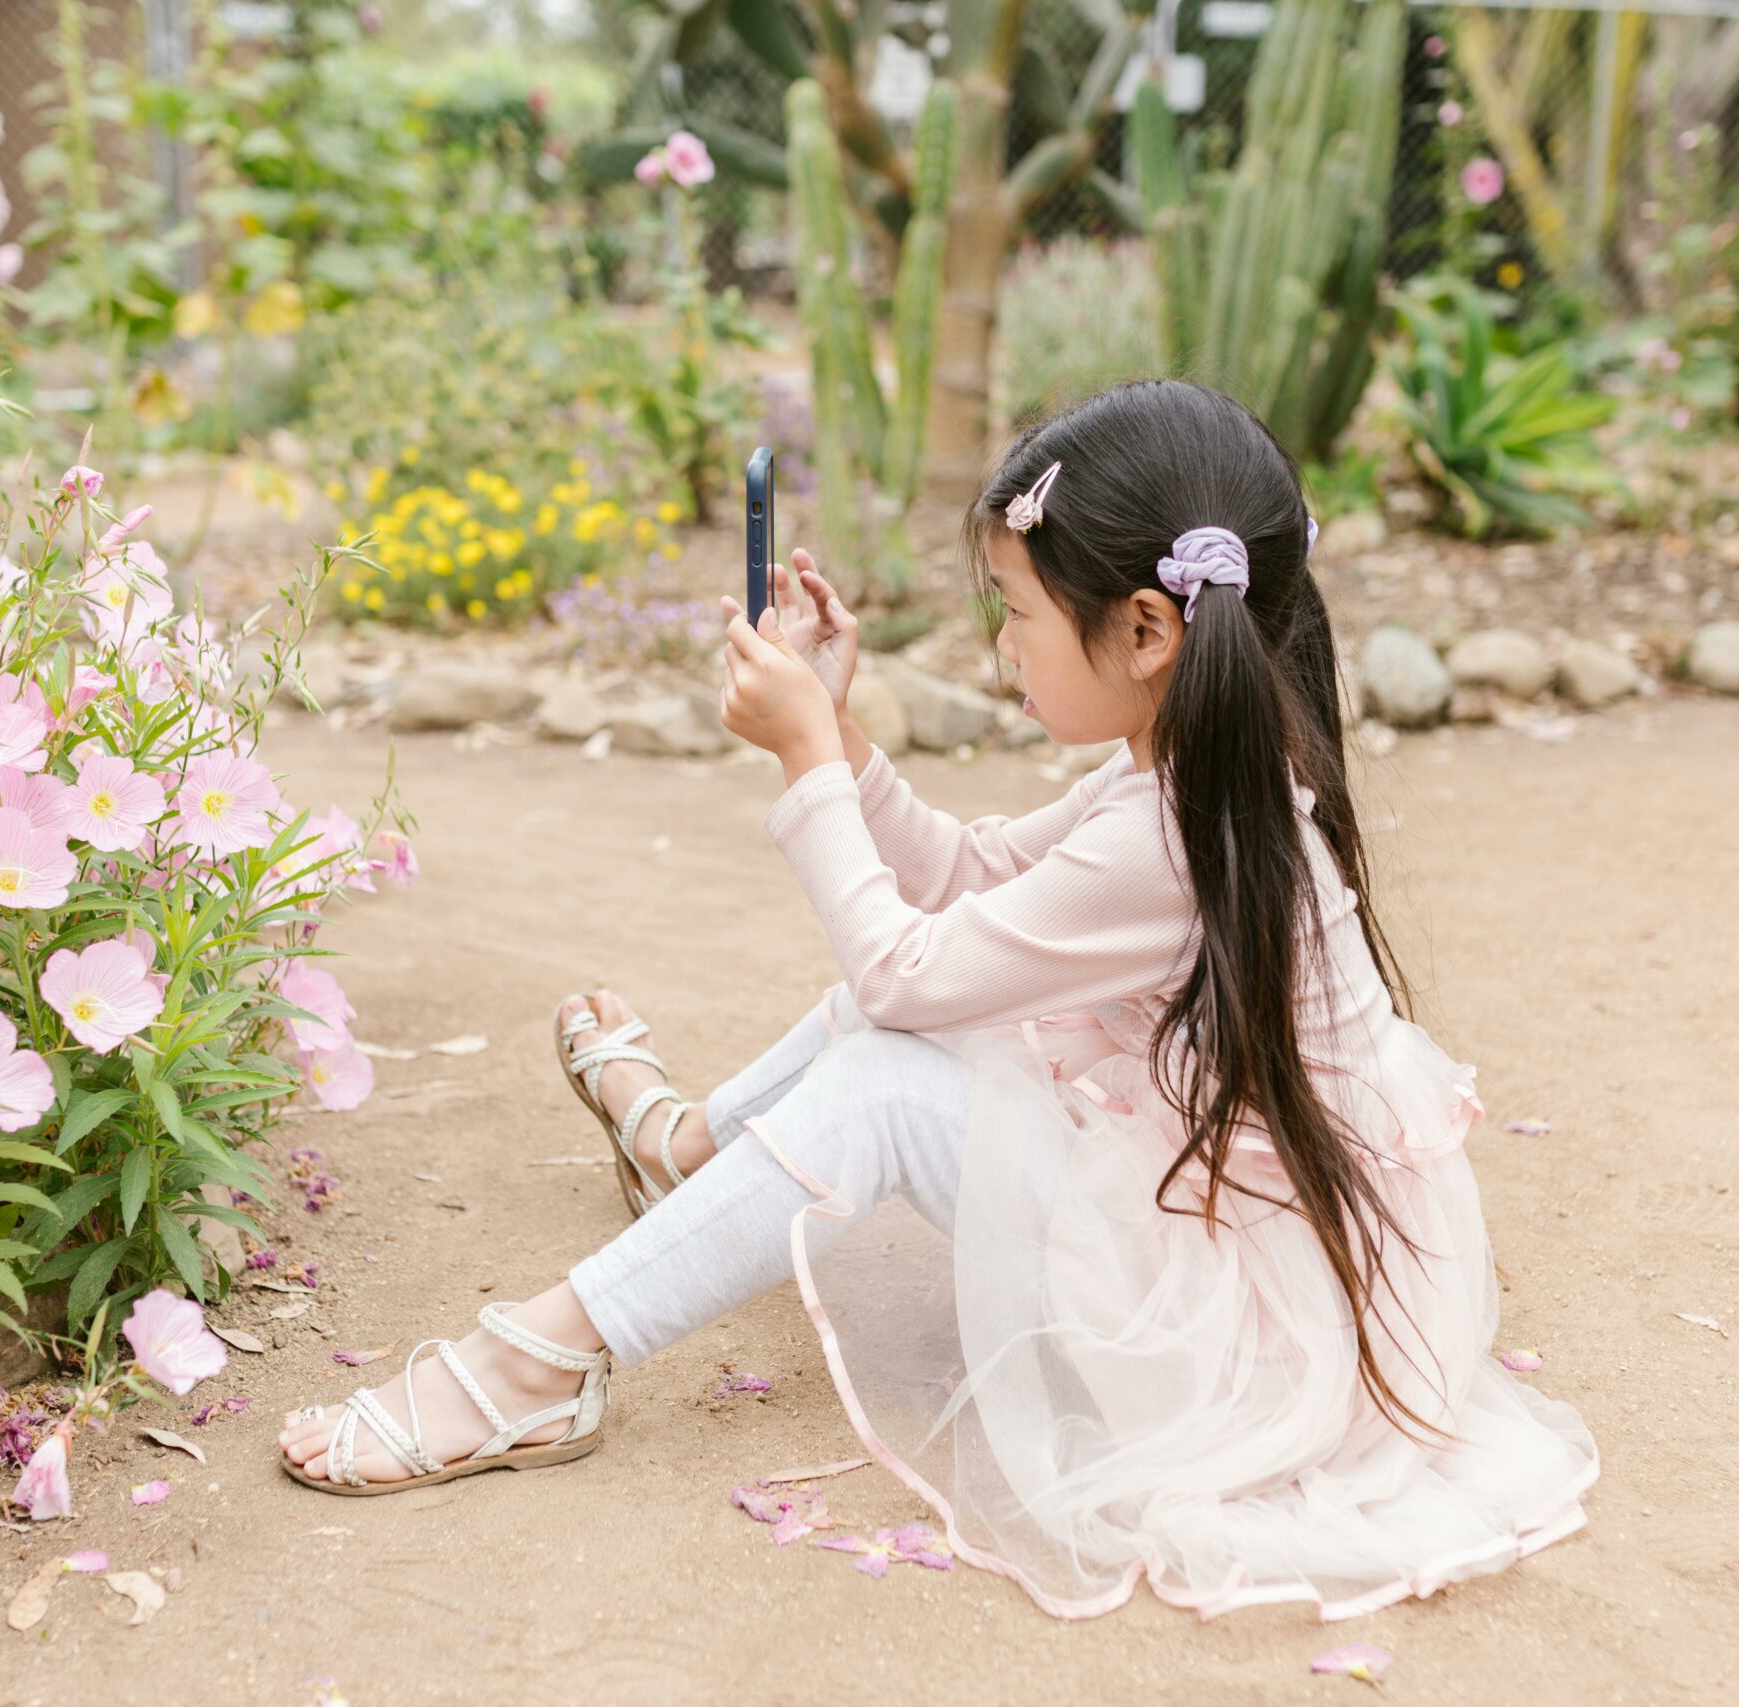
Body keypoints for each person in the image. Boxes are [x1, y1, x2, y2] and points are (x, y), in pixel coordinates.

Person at [276, 380, 1597, 1621]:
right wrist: (843, 734)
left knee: (894, 1067)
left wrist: (802, 765)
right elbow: (971, 887)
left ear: (1148, 629)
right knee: (925, 1019)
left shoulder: (1176, 829)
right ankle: (694, 1160)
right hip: (1216, 1255)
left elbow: (906, 975)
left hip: (1226, 1352)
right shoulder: (1192, 770)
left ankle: (540, 1364)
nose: (999, 643)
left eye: (1016, 612)